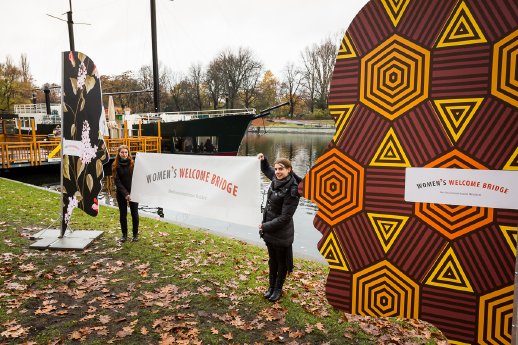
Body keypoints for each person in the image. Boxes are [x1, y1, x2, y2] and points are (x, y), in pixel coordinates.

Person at [257, 153, 301, 302]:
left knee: (281, 263)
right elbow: (267, 170)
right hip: (269, 230)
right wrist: (264, 160)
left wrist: (265, 226)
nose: (277, 172)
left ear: (289, 170)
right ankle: (270, 287)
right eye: (276, 169)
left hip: (281, 233)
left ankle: (278, 289)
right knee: (272, 260)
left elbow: (285, 217)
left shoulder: (293, 189)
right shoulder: (276, 178)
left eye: (281, 169)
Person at [112, 145, 139, 242]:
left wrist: (132, 193)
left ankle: (135, 234)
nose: (124, 154)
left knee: (134, 214)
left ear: (128, 153)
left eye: (126, 152)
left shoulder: (133, 164)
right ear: (119, 153)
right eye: (122, 152)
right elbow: (117, 181)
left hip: (134, 192)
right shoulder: (115, 165)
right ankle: (124, 235)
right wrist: (126, 194)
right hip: (121, 193)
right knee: (123, 215)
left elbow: (138, 178)